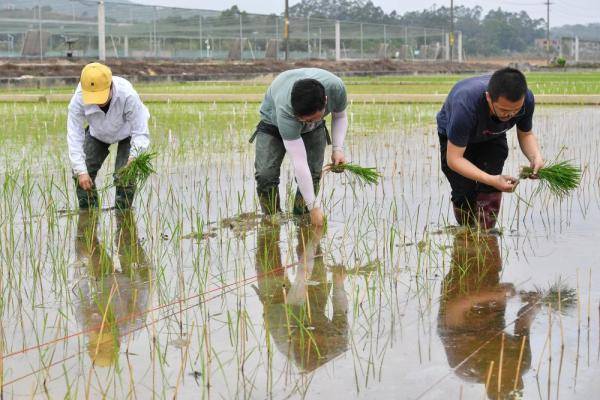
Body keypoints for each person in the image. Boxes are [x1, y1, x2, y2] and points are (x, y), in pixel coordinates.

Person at [437, 67, 544, 229]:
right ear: (488, 98)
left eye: (516, 110)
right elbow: (454, 159)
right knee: (464, 189)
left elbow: (526, 134)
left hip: (492, 134)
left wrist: (535, 157)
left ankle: (486, 235)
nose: (511, 115)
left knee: (490, 188)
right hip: (456, 139)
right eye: (504, 110)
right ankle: (466, 236)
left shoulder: (526, 99)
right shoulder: (465, 104)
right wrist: (492, 179)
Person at [437, 231, 541, 399]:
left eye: (507, 370)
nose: (509, 362)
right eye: (513, 372)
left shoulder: (464, 363)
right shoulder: (523, 363)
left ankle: (469, 225)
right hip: (491, 313)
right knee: (489, 247)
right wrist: (534, 305)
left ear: (490, 377)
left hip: (460, 297)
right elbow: (523, 324)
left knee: (467, 250)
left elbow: (453, 307)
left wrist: (493, 294)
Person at [251, 68, 349, 226]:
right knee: (265, 175)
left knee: (313, 173)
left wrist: (338, 149)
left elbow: (340, 116)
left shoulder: (336, 88)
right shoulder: (286, 110)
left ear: (325, 100)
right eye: (303, 120)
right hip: (273, 124)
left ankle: (302, 219)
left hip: (315, 129)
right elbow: (299, 162)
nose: (305, 123)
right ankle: (272, 219)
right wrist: (315, 207)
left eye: (311, 119)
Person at [67, 62, 150, 210]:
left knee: (125, 176)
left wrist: (134, 157)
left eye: (101, 97)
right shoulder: (78, 99)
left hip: (127, 133)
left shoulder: (128, 95)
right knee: (81, 175)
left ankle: (123, 216)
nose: (97, 102)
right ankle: (89, 216)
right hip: (97, 132)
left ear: (110, 86)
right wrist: (81, 171)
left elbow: (140, 132)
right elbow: (74, 135)